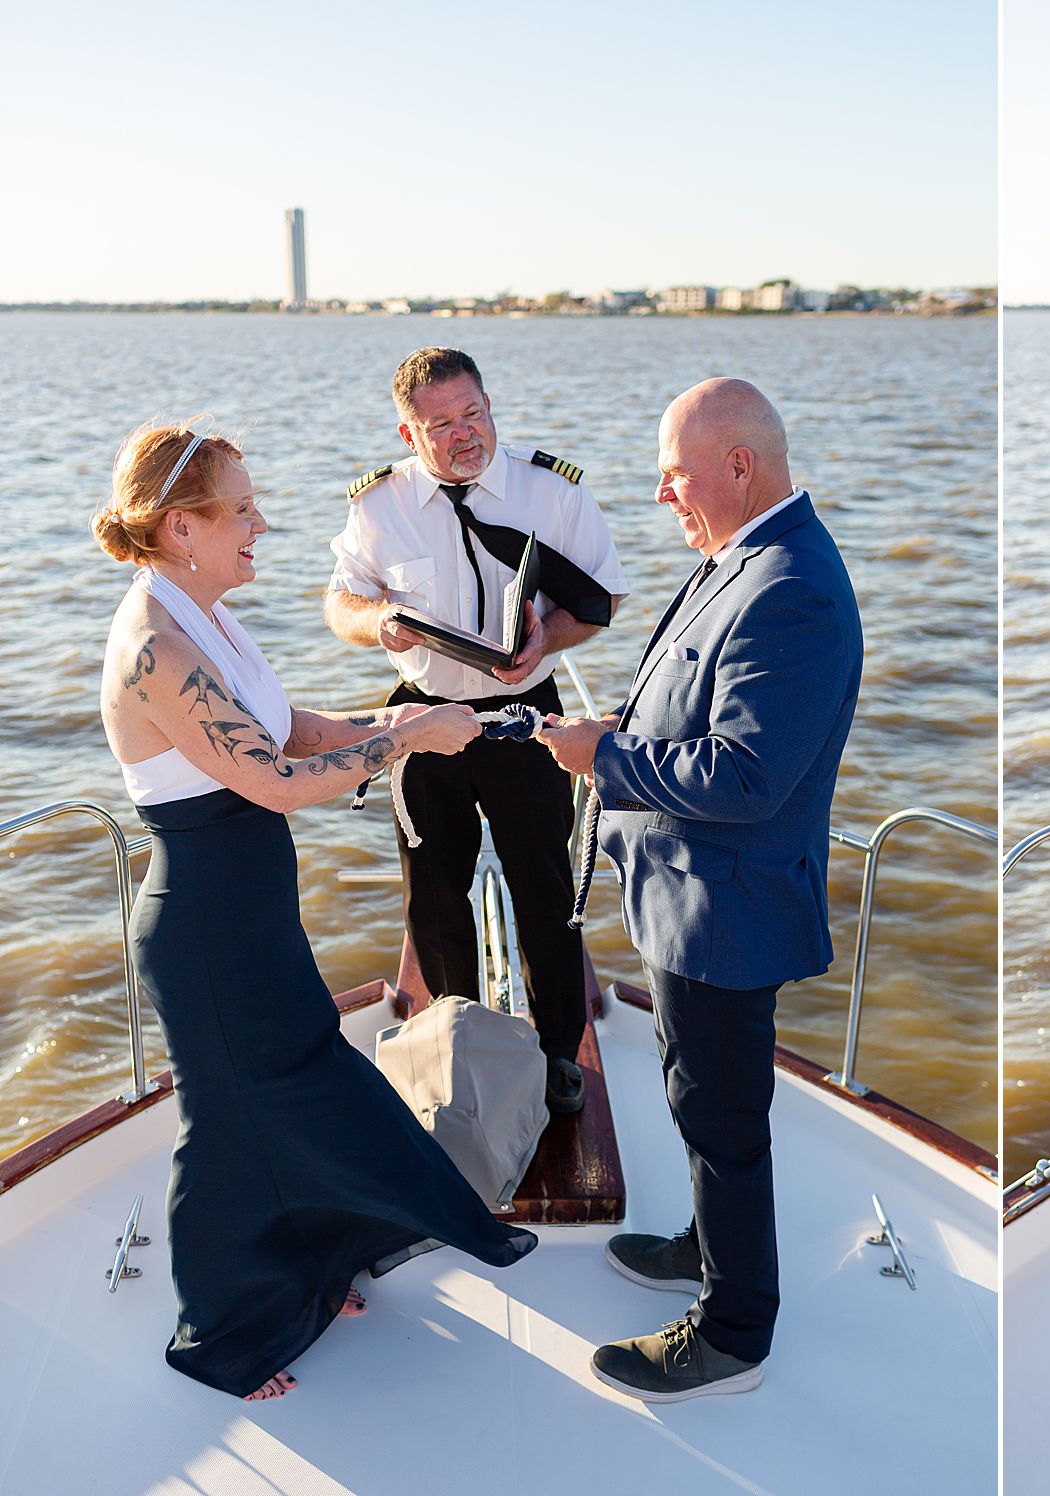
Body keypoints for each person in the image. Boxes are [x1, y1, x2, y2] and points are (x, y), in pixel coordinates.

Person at [94, 425, 537, 1402]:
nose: (261, 524)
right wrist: (412, 737)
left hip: (247, 914)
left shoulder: (204, 613)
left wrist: (398, 723)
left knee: (303, 1083)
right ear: (181, 526)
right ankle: (220, 1341)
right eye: (241, 508)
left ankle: (317, 1268)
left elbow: (292, 727)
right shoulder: (155, 646)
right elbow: (276, 781)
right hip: (207, 927)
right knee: (228, 1129)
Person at [538, 378, 863, 1403]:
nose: (660, 493)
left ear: (738, 465)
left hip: (728, 910)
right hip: (687, 900)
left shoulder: (790, 585)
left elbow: (745, 773)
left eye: (674, 473)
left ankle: (731, 1333)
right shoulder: (739, 557)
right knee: (695, 1093)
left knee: (721, 1114)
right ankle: (706, 1243)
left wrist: (604, 755)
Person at [324, 347, 626, 1114]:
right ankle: (457, 1043)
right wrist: (378, 621)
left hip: (524, 716)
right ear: (407, 433)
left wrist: (545, 642)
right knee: (434, 896)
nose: (466, 435)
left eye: (476, 414)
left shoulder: (549, 492)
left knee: (545, 889)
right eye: (443, 424)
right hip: (424, 718)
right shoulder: (378, 506)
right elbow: (341, 603)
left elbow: (600, 601)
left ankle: (559, 1056)